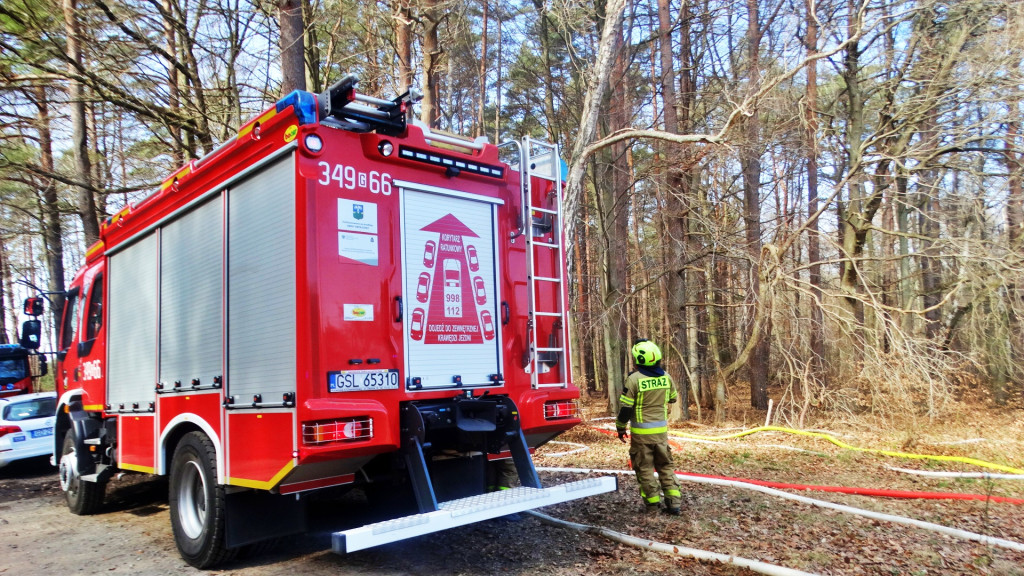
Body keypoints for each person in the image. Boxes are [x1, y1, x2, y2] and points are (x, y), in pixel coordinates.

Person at [615, 339, 682, 515]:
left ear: (638, 360)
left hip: (642, 436)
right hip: (661, 435)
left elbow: (626, 408)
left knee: (645, 468)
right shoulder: (666, 377)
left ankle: (652, 505)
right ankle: (674, 503)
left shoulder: (634, 379)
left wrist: (620, 427)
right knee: (665, 466)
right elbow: (673, 398)